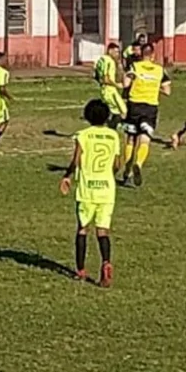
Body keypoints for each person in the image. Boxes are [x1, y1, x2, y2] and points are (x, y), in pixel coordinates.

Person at [60, 99, 122, 288]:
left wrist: (67, 176)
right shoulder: (113, 136)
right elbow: (117, 164)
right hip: (107, 189)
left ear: (87, 116)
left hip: (87, 189)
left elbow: (76, 160)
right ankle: (106, 262)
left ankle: (80, 270)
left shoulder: (83, 135)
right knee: (103, 230)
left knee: (83, 228)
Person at [121, 43, 171, 188]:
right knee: (145, 138)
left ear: (141, 54)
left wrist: (127, 76)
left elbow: (126, 84)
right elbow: (167, 91)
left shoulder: (135, 66)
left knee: (131, 139)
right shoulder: (159, 70)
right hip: (150, 107)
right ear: (153, 55)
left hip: (134, 105)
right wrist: (155, 87)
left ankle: (128, 172)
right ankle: (138, 163)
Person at [93, 42, 127, 126]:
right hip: (109, 89)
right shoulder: (108, 61)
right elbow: (106, 79)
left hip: (107, 89)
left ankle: (111, 125)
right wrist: (117, 85)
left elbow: (96, 75)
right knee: (120, 110)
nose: (117, 54)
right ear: (110, 51)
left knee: (120, 110)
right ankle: (111, 127)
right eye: (116, 52)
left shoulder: (101, 60)